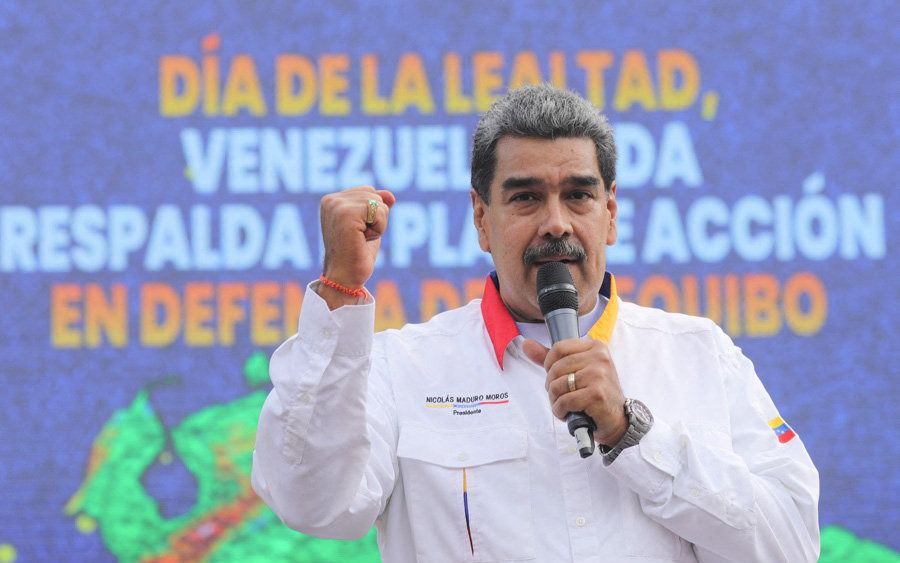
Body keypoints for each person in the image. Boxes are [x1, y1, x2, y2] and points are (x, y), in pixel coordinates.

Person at [251, 84, 819, 562]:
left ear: (610, 214)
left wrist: (634, 436)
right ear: (482, 219)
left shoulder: (698, 353)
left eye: (578, 196)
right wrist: (340, 291)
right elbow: (315, 504)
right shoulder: (403, 367)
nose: (555, 223)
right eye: (525, 198)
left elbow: (792, 545)